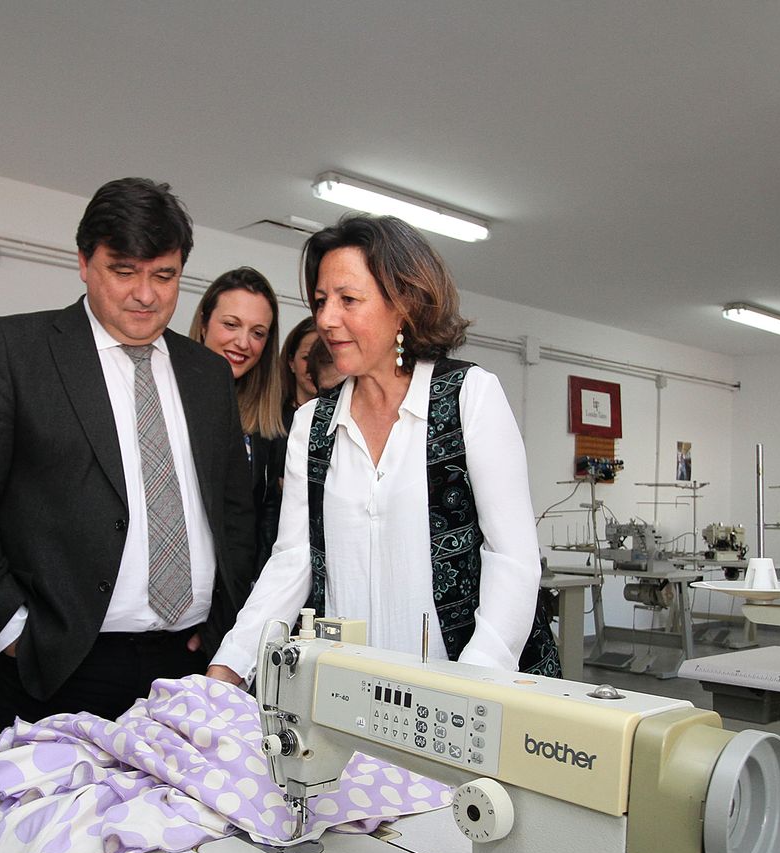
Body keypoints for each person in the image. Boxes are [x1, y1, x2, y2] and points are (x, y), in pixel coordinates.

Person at [0, 178, 254, 735]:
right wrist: (12, 632)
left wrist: (227, 624)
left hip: (189, 663)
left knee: (179, 823)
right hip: (60, 663)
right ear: (84, 262)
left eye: (164, 276)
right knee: (44, 821)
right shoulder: (16, 351)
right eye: (123, 271)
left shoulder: (207, 374)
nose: (145, 295)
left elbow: (235, 512)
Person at [208, 214, 552, 685]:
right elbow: (291, 563)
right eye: (322, 300)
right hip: (349, 695)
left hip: (466, 694)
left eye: (349, 300)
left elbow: (512, 560)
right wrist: (228, 669)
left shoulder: (468, 396)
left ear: (404, 304)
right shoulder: (313, 425)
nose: (327, 319)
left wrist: (474, 684)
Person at [188, 267, 288, 574]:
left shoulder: (267, 422)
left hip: (230, 593)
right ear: (204, 323)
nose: (243, 343)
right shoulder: (168, 397)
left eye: (257, 333)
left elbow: (257, 519)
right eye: (231, 324)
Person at [280, 316, 319, 430]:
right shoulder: (269, 418)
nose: (314, 368)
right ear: (291, 362)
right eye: (307, 358)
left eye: (324, 359)